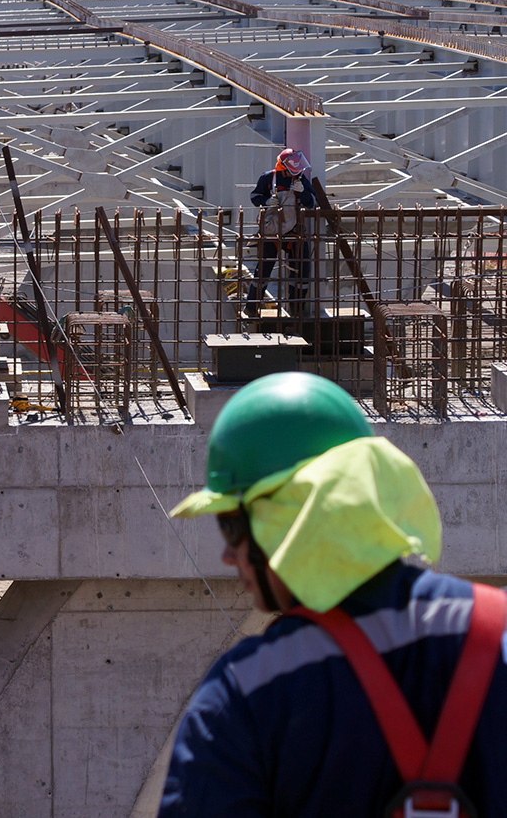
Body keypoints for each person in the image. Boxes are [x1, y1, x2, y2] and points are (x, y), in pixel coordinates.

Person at [162, 371, 507, 818]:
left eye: (231, 525)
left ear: (287, 519)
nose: (228, 554)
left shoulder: (243, 697)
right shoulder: (497, 634)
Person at [246, 148, 316, 318]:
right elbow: (255, 197)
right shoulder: (268, 178)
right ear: (283, 165)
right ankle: (252, 307)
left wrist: (303, 192)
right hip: (272, 231)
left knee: (301, 269)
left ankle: (296, 310)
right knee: (263, 269)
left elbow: (311, 204)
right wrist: (267, 201)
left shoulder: (300, 179)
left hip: (294, 231)